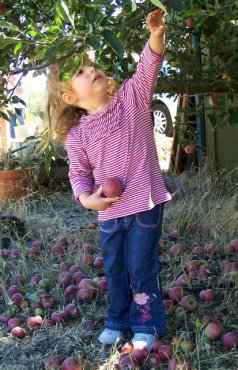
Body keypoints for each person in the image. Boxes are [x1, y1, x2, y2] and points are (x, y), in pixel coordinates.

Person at [46, 8, 171, 351]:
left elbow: (149, 65)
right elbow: (78, 173)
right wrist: (87, 199)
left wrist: (156, 35)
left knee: (141, 267)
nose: (92, 70)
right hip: (109, 213)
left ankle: (147, 323)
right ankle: (117, 319)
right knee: (116, 269)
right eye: (81, 72)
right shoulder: (77, 134)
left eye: (91, 66)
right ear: (70, 98)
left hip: (144, 204)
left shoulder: (133, 97)